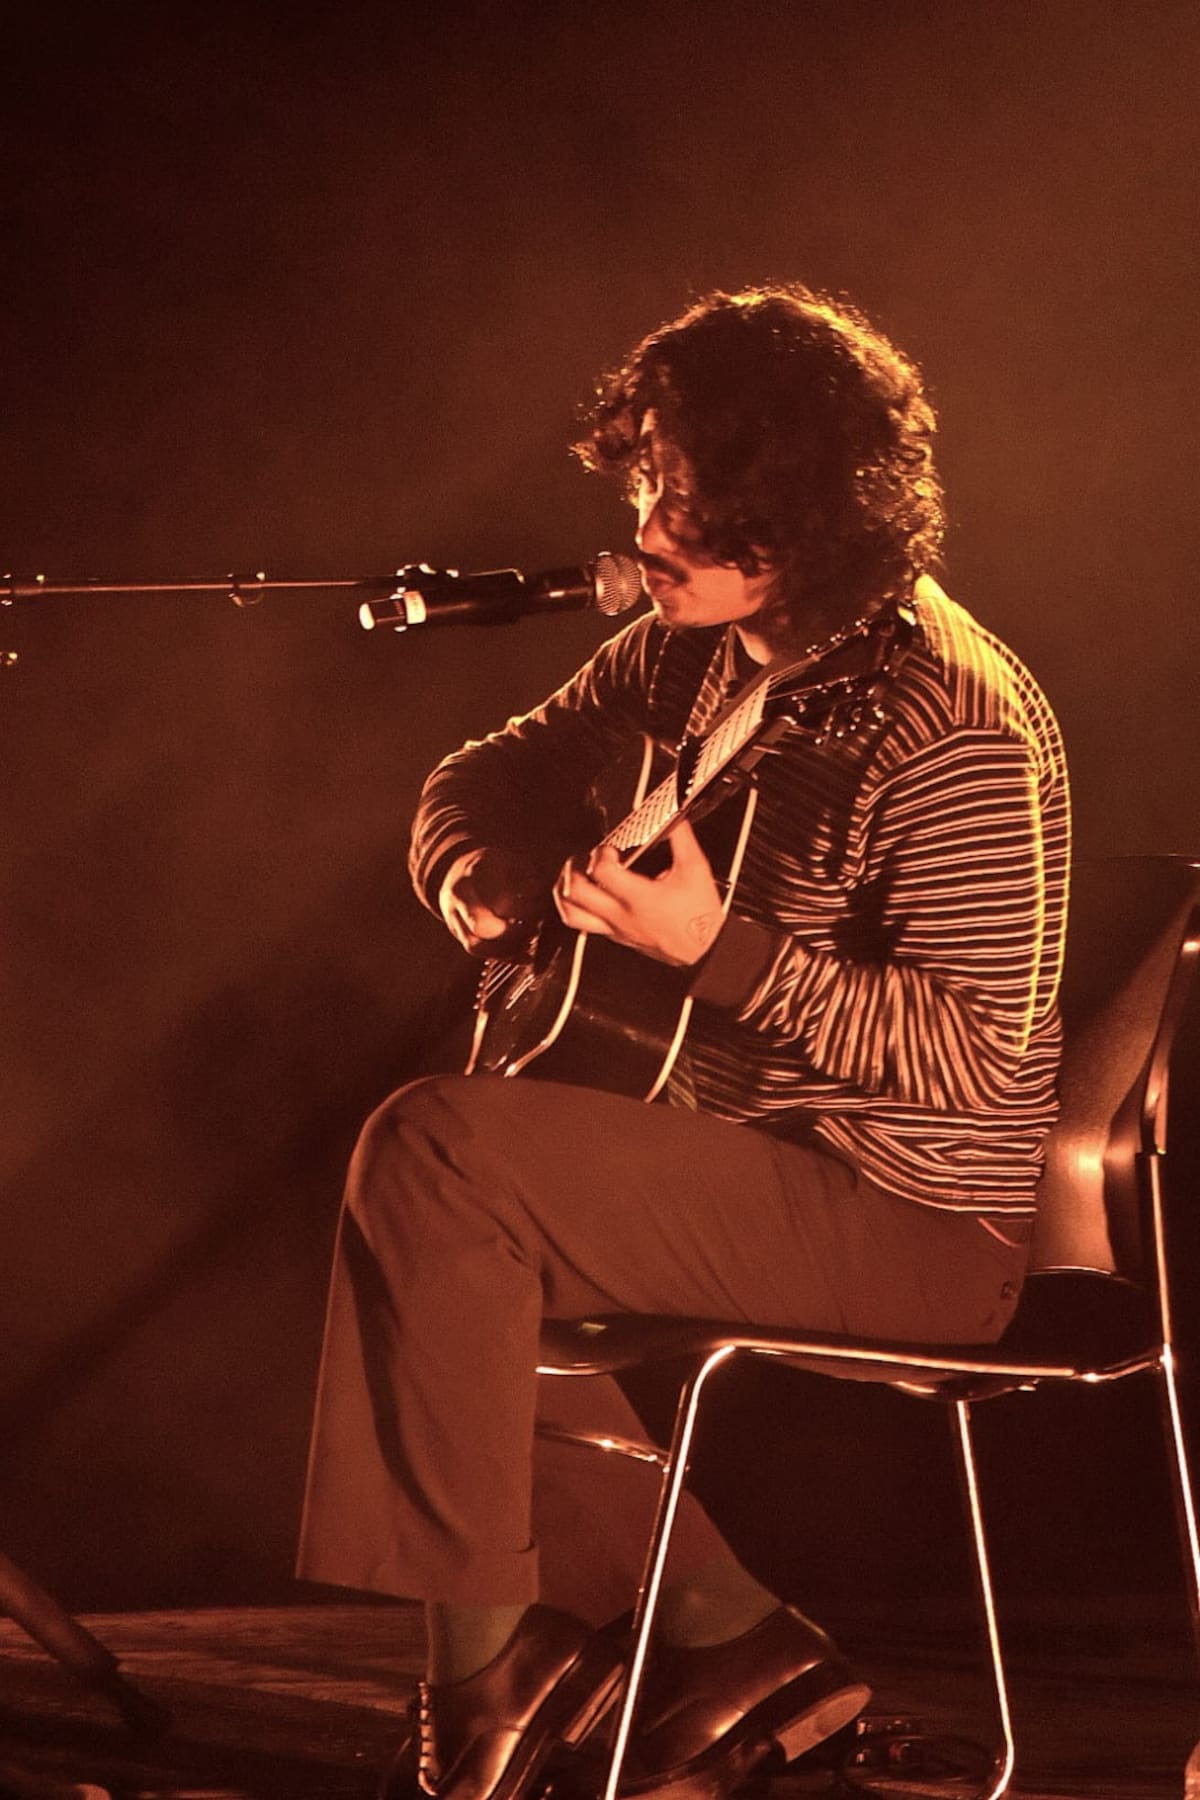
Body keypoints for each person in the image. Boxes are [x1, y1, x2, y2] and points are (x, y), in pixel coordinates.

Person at [297, 285, 1070, 1800]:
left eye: (700, 499)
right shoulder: (694, 649)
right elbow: (490, 768)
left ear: (808, 514)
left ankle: (492, 1683)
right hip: (728, 1153)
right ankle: (732, 1639)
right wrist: (488, 885)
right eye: (649, 476)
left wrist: (716, 955)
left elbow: (985, 1063)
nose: (652, 524)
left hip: (910, 1212)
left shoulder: (949, 719)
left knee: (441, 1156)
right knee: (437, 1239)